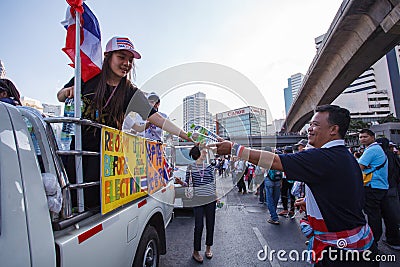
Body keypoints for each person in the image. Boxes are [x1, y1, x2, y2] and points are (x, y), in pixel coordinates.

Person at [214, 105, 377, 266]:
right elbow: (346, 194)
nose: (310, 129)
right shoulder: (345, 156)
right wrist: (314, 202)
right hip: (360, 247)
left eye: (315, 125)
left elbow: (275, 161)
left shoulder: (320, 157)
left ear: (333, 129)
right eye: (310, 124)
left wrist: (235, 149)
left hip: (341, 256)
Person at [57, 36, 192, 209]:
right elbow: (60, 96)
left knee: (97, 206)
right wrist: (68, 91)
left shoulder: (130, 91)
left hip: (108, 157)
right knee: (73, 201)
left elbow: (156, 118)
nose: (126, 63)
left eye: (130, 60)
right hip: (79, 151)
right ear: (108, 56)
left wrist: (184, 135)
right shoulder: (88, 76)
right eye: (121, 57)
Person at [175, 145, 218, 263]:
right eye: (203, 151)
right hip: (198, 199)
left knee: (210, 224)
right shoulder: (190, 167)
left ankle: (208, 248)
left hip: (210, 199)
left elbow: (212, 183)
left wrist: (216, 196)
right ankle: (196, 251)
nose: (205, 153)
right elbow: (189, 185)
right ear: (197, 154)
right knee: (199, 226)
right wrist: (180, 182)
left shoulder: (209, 167)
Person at [358, 129, 388, 247]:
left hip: (372, 186)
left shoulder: (372, 150)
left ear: (372, 137)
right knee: (376, 213)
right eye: (360, 137)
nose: (362, 139)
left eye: (365, 137)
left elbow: (359, 166)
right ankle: (375, 238)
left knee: (372, 214)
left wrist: (362, 165)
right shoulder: (375, 149)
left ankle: (373, 240)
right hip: (379, 186)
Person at [375, 137, 400, 250]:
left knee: (377, 215)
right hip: (392, 188)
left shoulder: (377, 156)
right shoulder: (392, 156)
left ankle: (389, 239)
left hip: (379, 188)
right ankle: (393, 238)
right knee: (392, 215)